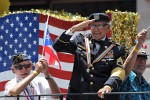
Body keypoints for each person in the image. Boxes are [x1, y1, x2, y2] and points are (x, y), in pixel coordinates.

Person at [53, 13, 126, 100]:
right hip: (79, 96)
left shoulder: (116, 48)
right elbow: (57, 46)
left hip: (102, 96)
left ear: (108, 28)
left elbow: (119, 69)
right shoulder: (81, 40)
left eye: (99, 26)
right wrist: (74, 29)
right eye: (93, 26)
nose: (95, 29)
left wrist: (108, 86)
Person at [119, 29, 150, 99]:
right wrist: (138, 44)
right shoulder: (125, 78)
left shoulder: (146, 85)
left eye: (144, 58)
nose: (142, 61)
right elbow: (125, 70)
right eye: (138, 57)